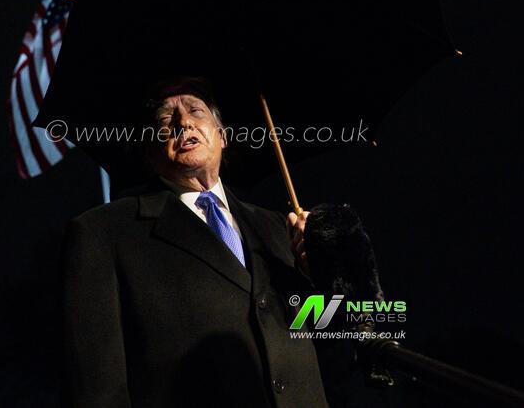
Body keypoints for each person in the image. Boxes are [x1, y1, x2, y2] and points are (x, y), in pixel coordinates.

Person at [60, 77, 369, 408]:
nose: (183, 121)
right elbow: (97, 390)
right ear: (150, 151)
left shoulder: (279, 228)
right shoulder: (104, 233)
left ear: (222, 136)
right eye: (165, 119)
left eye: (196, 110)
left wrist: (330, 275)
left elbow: (338, 352)